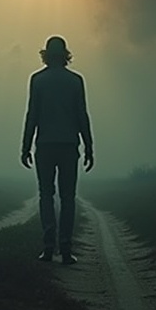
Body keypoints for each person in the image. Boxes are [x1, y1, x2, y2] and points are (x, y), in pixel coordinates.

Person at [21, 35, 95, 264]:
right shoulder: (75, 81)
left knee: (46, 196)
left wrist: (25, 146)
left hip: (44, 146)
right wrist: (89, 146)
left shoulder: (37, 80)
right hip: (69, 145)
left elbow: (32, 115)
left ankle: (48, 246)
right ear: (65, 55)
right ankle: (65, 249)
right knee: (68, 198)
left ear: (46, 54)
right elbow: (82, 115)